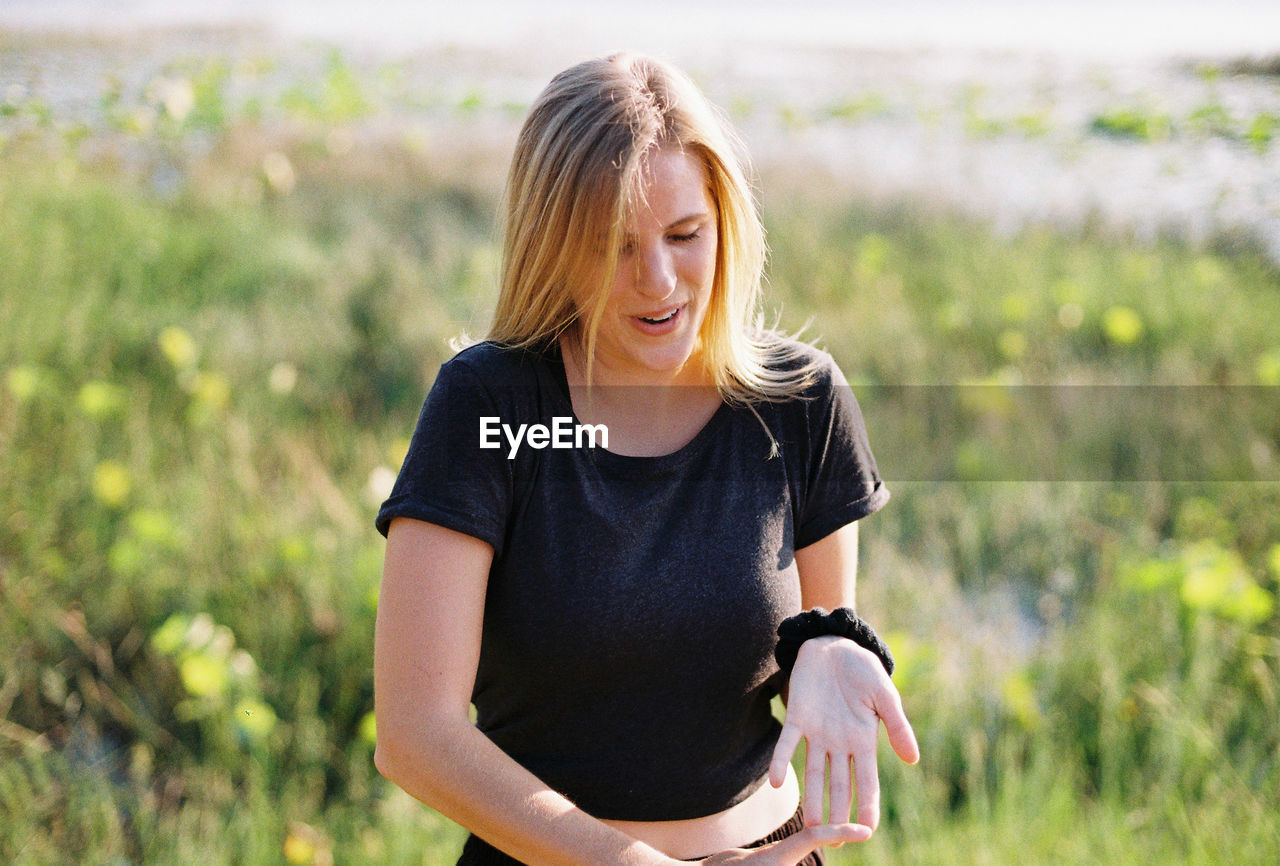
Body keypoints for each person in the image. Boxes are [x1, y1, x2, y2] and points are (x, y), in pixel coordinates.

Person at [372, 52, 919, 866]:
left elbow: (813, 631)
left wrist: (832, 649)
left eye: (685, 234)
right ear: (553, 247)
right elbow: (415, 736)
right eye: (613, 246)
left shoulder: (801, 403)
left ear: (726, 222)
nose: (658, 280)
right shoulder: (488, 405)